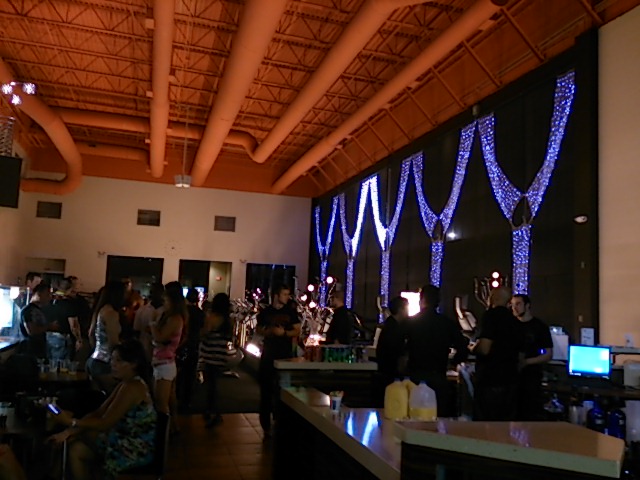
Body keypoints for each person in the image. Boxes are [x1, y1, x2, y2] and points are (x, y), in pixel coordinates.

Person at [50, 341, 157, 480]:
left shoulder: (134, 387)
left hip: (134, 447)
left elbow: (105, 422)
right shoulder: (125, 384)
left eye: (119, 361)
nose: (113, 364)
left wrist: (72, 422)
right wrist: (69, 431)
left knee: (80, 438)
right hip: (120, 438)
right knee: (75, 448)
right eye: (112, 359)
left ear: (133, 364)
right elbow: (99, 412)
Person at [405, 285, 468, 417]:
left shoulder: (410, 323)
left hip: (415, 375)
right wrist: (453, 363)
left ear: (421, 300)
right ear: (438, 302)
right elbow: (463, 347)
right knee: (438, 416)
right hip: (438, 375)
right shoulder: (447, 323)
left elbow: (400, 347)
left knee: (414, 415)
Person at [471, 286, 524, 421]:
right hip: (510, 381)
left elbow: (484, 348)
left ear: (493, 298)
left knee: (485, 423)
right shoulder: (515, 321)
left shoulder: (491, 316)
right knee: (504, 425)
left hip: (490, 379)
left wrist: (473, 348)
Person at [256, 284, 301, 437]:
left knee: (282, 391)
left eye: (288, 294)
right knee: (266, 392)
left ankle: (280, 422)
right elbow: (258, 328)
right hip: (268, 355)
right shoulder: (266, 312)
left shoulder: (291, 312)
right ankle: (266, 425)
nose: (287, 297)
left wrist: (284, 333)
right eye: (284, 294)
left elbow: (297, 330)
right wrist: (269, 331)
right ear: (276, 295)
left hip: (284, 356)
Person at [150, 281, 185, 434]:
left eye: (166, 300)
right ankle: (173, 426)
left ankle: (163, 433)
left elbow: (159, 337)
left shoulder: (174, 319)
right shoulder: (172, 317)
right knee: (169, 398)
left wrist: (152, 324)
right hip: (164, 362)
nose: (164, 303)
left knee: (161, 402)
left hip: (164, 364)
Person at [512, 294, 553, 420]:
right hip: (511, 376)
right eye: (512, 305)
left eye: (518, 304)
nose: (514, 308)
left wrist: (527, 362)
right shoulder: (510, 325)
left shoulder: (539, 327)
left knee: (528, 413)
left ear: (527, 305)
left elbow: (548, 354)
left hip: (531, 377)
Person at [199, 293, 235, 428]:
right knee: (213, 385)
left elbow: (204, 333)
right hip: (220, 355)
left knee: (210, 386)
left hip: (210, 355)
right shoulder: (228, 320)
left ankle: (213, 413)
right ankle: (212, 412)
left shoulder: (212, 317)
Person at [87, 281, 126, 393]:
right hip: (105, 362)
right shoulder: (111, 313)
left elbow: (91, 334)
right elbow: (113, 341)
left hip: (94, 359)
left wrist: (97, 349)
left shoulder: (100, 310)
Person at [176, 288, 205, 411]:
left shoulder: (183, 311)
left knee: (179, 374)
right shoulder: (200, 313)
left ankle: (176, 397)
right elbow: (203, 330)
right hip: (194, 346)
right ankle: (187, 401)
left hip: (181, 345)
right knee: (190, 374)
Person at [50, 277, 84, 361]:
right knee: (63, 365)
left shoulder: (50, 301)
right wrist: (79, 340)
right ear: (70, 289)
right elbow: (74, 325)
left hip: (49, 338)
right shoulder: (69, 304)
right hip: (63, 339)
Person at [19, 282, 52, 359]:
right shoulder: (28, 310)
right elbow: (31, 331)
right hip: (30, 352)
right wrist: (49, 327)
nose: (49, 298)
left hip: (39, 350)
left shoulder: (39, 310)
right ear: (38, 294)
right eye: (47, 295)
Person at [133, 283, 164, 362]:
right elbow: (136, 331)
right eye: (152, 292)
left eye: (157, 292)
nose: (154, 295)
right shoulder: (142, 310)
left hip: (161, 353)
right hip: (144, 349)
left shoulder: (167, 312)